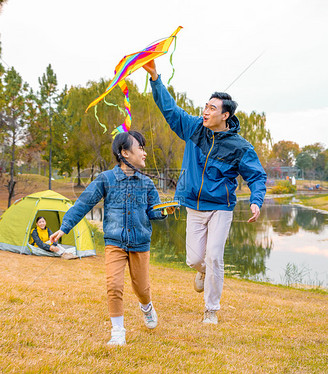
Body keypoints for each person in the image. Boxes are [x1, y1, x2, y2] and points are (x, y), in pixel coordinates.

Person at [143, 60, 267, 325]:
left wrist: (256, 200)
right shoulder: (194, 129)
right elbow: (170, 109)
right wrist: (155, 79)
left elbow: (256, 175)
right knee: (195, 259)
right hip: (193, 206)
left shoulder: (240, 147)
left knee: (214, 256)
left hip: (221, 207)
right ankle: (202, 272)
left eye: (212, 108)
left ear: (225, 116)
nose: (205, 111)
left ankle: (211, 309)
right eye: (205, 106)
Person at [49, 130, 172, 346]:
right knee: (114, 285)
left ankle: (146, 307)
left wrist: (163, 211)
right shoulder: (105, 179)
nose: (144, 153)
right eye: (140, 148)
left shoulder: (147, 184)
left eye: (144, 149)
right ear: (124, 153)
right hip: (114, 243)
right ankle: (118, 331)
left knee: (142, 288)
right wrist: (64, 227)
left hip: (140, 243)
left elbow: (153, 212)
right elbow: (84, 203)